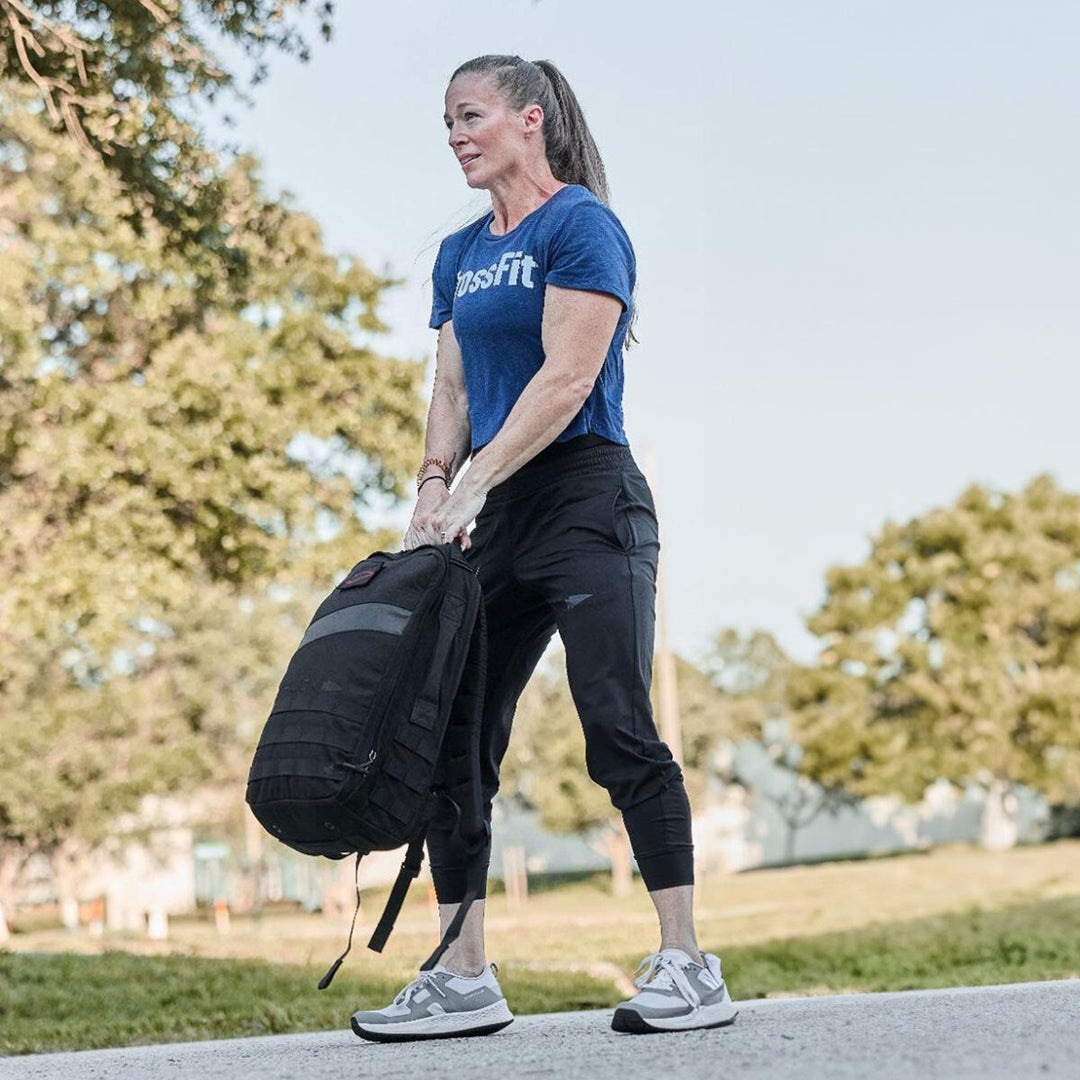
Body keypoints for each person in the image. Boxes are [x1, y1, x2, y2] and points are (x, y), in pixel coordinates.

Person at [350, 54, 737, 1042]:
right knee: (455, 734)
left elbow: (567, 379)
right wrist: (433, 485)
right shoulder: (458, 253)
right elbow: (451, 387)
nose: (455, 137)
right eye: (447, 123)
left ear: (530, 119)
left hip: (586, 498)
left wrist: (475, 481)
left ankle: (687, 962)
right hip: (494, 520)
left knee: (615, 718)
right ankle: (463, 974)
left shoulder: (581, 227)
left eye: (470, 116)